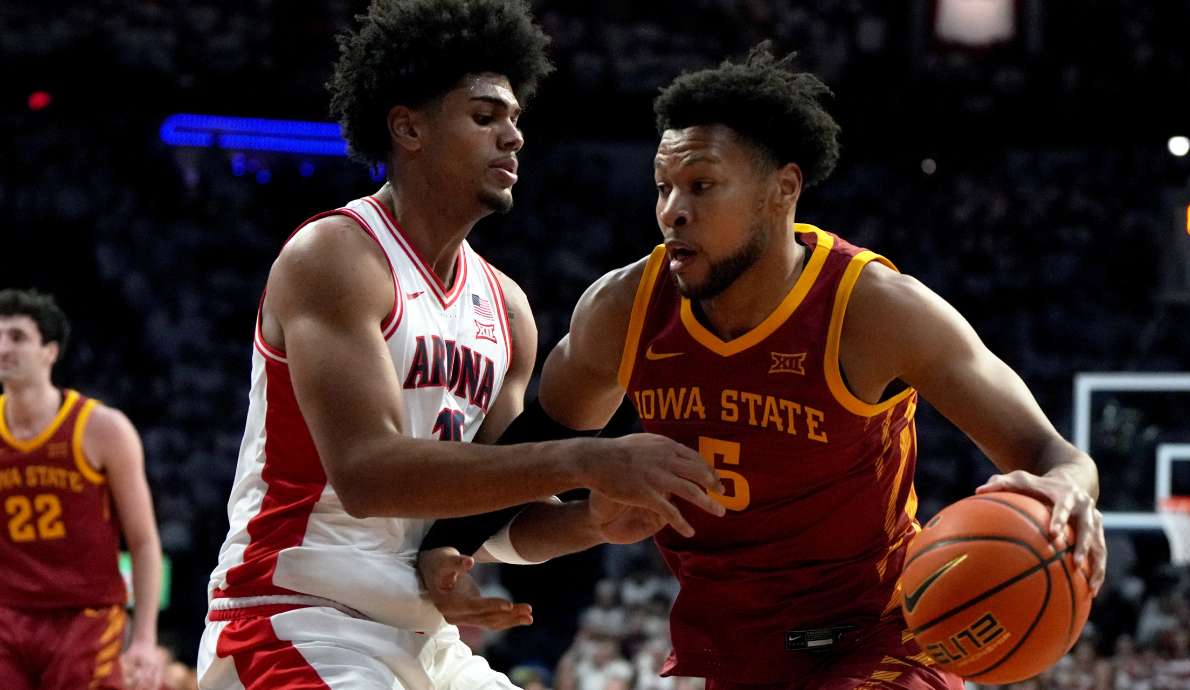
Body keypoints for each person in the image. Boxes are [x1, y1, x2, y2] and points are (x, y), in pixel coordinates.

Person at [422, 45, 1108, 689]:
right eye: (663, 187)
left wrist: (1070, 489)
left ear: (783, 189)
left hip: (878, 641)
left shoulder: (874, 310)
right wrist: (446, 548)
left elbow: (1051, 454)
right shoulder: (625, 308)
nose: (673, 212)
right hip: (731, 652)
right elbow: (529, 453)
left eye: (702, 186)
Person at [194, 1, 723, 688]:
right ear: (408, 127)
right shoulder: (336, 256)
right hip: (293, 617)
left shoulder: (505, 307)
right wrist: (588, 457)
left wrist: (593, 519)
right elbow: (367, 474)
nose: (513, 136)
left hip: (423, 636)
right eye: (484, 116)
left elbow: (494, 517)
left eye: (515, 119)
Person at [0, 288, 163, 690]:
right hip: (7, 613)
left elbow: (143, 542)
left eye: (17, 337)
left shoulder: (103, 428)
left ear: (50, 352)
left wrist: (144, 639)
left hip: (85, 618)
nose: (3, 347)